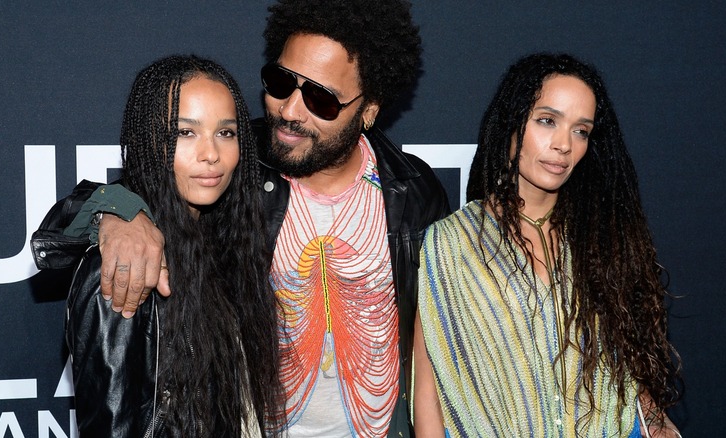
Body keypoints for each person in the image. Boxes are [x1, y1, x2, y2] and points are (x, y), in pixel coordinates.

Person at [32, 1, 450, 436]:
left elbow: (435, 344)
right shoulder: (236, 164)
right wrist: (118, 213)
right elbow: (110, 200)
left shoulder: (414, 192)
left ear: (368, 110)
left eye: (321, 99)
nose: (290, 110)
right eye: (281, 82)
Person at [412, 53, 682, 437]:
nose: (563, 144)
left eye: (581, 130)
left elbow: (628, 366)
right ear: (511, 121)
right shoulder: (451, 241)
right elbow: (429, 389)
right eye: (547, 121)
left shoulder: (601, 236)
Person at [39, 55, 283, 436]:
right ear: (148, 140)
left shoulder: (227, 244)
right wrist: (113, 210)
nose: (211, 154)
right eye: (185, 133)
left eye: (226, 132)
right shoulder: (127, 262)